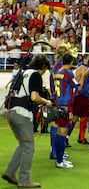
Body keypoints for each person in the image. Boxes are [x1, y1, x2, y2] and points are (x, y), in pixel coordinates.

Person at [2, 54, 52, 188]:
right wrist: (46, 101)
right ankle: (24, 179)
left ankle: (10, 172)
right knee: (29, 146)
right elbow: (34, 97)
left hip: (11, 112)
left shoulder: (22, 73)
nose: (43, 73)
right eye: (45, 70)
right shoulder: (35, 75)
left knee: (23, 144)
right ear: (43, 66)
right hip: (22, 113)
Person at [53, 53, 84, 168]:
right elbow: (77, 86)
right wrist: (81, 76)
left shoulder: (58, 72)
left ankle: (59, 157)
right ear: (71, 62)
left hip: (58, 104)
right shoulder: (67, 73)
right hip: (66, 105)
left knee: (59, 131)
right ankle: (60, 160)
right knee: (63, 132)